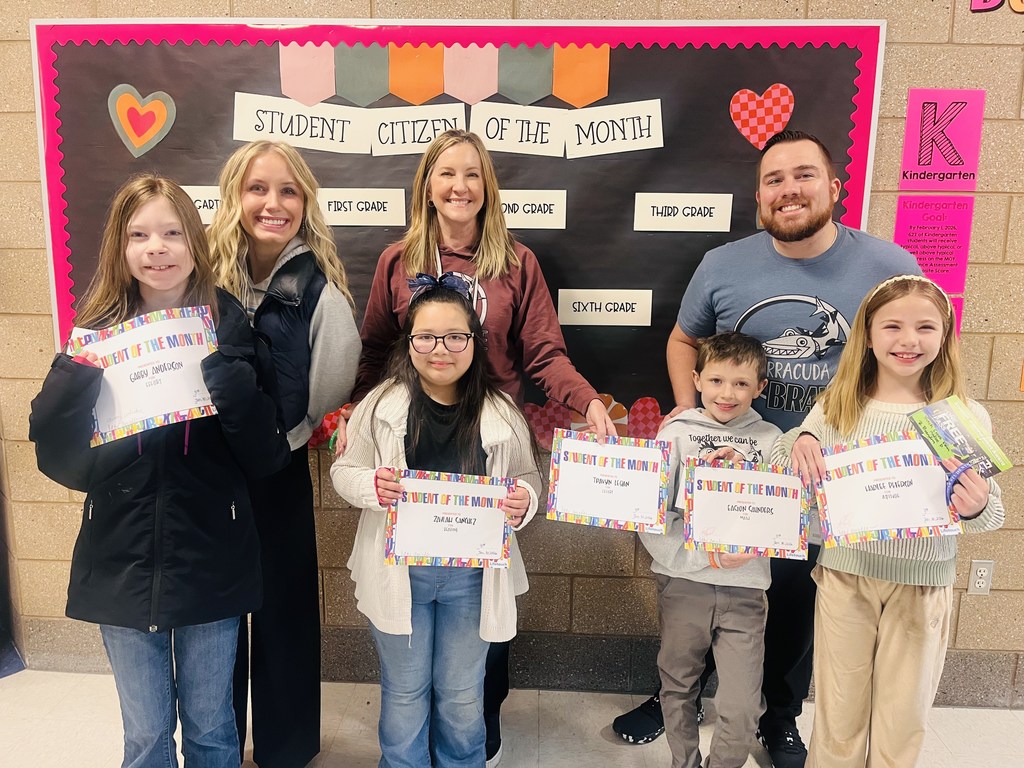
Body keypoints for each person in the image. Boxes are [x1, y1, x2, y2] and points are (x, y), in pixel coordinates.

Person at [615, 130, 921, 767]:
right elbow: (682, 342)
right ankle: (675, 697)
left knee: (788, 600)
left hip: (822, 476)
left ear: (834, 188)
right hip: (729, 472)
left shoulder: (888, 267)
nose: (790, 190)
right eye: (775, 180)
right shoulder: (724, 265)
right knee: (699, 591)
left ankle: (777, 716)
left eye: (804, 175)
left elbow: (912, 356)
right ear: (758, 196)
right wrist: (692, 415)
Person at [350, 128, 615, 766]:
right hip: (413, 450)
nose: (459, 186)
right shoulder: (397, 260)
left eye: (472, 174)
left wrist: (588, 402)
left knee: (478, 609)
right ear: (427, 186)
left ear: (487, 186)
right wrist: (354, 421)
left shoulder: (516, 262)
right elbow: (372, 355)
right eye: (446, 174)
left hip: (486, 453)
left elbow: (546, 353)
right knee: (413, 641)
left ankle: (474, 734)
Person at [28, 174, 290, 768]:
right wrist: (76, 372)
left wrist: (225, 375)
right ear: (120, 249)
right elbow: (62, 461)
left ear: (194, 243)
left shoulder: (229, 328)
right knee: (146, 739)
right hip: (121, 562)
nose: (157, 248)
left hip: (211, 561)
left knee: (211, 731)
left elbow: (265, 455)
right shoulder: (95, 335)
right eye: (140, 234)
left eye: (172, 232)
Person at [778, 275, 1004, 767]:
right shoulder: (837, 406)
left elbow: (991, 512)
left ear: (944, 335)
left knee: (903, 719)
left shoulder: (959, 416)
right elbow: (788, 461)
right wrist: (799, 441)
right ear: (868, 333)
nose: (908, 340)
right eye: (893, 326)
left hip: (921, 587)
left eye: (926, 327)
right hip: (845, 578)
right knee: (839, 713)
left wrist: (977, 504)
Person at [331, 277, 542, 767]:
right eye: (425, 336)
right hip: (401, 573)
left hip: (472, 579)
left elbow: (529, 477)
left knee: (462, 694)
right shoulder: (381, 404)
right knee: (404, 694)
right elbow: (346, 470)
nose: (440, 349)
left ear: (475, 342)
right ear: (409, 343)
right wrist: (372, 487)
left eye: (455, 337)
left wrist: (523, 500)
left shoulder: (502, 410)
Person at [208, 140, 361, 767]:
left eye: (288, 190)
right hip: (209, 475)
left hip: (278, 469)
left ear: (306, 202)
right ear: (234, 198)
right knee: (216, 618)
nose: (272, 203)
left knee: (285, 613)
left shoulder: (322, 292)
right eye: (257, 188)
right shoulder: (202, 280)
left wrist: (276, 445)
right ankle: (216, 741)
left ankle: (287, 747)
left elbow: (326, 389)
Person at [639, 332, 781, 768]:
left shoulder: (774, 440)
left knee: (741, 707)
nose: (727, 393)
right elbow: (650, 516)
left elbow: (783, 516)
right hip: (685, 586)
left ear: (760, 388)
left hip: (746, 592)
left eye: (741, 384)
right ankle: (685, 763)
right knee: (677, 685)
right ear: (697, 379)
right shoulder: (675, 436)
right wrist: (702, 556)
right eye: (717, 380)